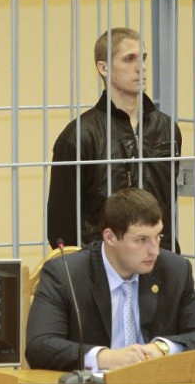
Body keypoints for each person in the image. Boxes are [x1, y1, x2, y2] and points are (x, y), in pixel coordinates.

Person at [26, 187, 195, 372]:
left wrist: (162, 348)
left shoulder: (174, 270)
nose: (155, 250)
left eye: (158, 236)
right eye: (141, 240)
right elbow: (39, 346)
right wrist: (107, 358)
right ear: (110, 238)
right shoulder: (65, 274)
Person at [47, 27, 182, 253]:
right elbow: (62, 225)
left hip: (158, 258)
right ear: (104, 68)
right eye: (129, 59)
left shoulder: (166, 129)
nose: (141, 67)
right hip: (102, 267)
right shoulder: (79, 136)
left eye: (143, 58)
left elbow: (167, 205)